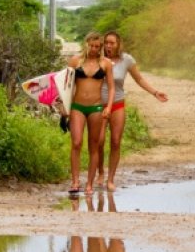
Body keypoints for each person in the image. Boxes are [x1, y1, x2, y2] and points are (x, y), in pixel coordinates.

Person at [97, 31, 168, 191]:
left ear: (118, 44)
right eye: (106, 42)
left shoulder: (126, 60)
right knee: (99, 141)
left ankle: (110, 179)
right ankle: (100, 171)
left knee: (115, 141)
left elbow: (139, 79)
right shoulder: (98, 59)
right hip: (99, 105)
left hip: (117, 104)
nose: (108, 46)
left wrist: (155, 92)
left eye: (112, 43)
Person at [68, 32, 115, 195]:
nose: (94, 49)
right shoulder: (75, 61)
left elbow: (111, 87)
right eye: (92, 45)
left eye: (97, 46)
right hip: (77, 106)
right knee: (76, 142)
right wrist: (63, 108)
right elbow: (66, 85)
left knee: (94, 146)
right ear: (86, 44)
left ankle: (89, 184)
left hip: (96, 107)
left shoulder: (106, 64)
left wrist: (108, 107)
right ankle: (75, 181)